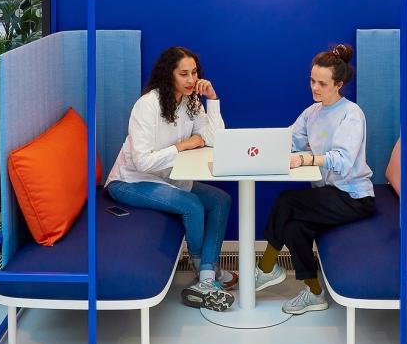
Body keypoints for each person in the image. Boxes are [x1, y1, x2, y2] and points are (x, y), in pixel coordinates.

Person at [106, 46, 236, 312]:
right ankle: (205, 276)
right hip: (130, 181)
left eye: (194, 73)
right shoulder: (147, 105)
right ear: (169, 75)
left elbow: (215, 139)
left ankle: (206, 275)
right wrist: (183, 146)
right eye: (183, 74)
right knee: (192, 205)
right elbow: (142, 162)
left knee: (220, 201)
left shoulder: (191, 101)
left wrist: (213, 99)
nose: (191, 80)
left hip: (170, 179)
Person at [254, 44, 375, 315]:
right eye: (312, 80)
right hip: (328, 195)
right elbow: (290, 139)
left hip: (353, 197)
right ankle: (315, 293)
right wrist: (254, 146)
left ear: (339, 84)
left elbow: (343, 161)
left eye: (322, 83)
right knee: (294, 228)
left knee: (287, 200)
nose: (315, 88)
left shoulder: (351, 114)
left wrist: (306, 159)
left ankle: (266, 267)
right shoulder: (312, 113)